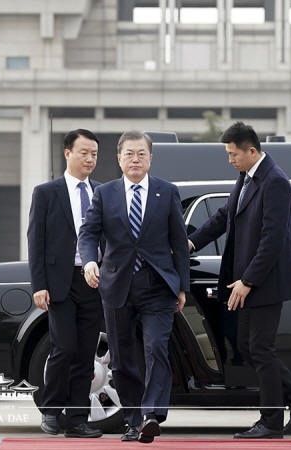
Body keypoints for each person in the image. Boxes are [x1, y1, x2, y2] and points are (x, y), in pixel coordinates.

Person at [188, 121, 291, 439]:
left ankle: (272, 421)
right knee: (250, 348)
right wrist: (190, 241)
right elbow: (224, 215)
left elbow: (273, 239)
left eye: (233, 154)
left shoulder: (275, 181)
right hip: (248, 281)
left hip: (264, 281)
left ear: (251, 150)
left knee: (260, 348)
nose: (230, 160)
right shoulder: (248, 176)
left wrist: (248, 280)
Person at [79, 130, 189, 443]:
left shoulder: (166, 192)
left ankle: (152, 414)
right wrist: (89, 262)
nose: (135, 159)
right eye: (129, 153)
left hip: (157, 285)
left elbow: (179, 242)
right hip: (116, 285)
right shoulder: (105, 193)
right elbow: (88, 233)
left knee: (156, 349)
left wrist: (181, 286)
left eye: (141, 153)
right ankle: (133, 419)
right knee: (123, 357)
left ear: (150, 158)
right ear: (119, 158)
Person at [27, 129, 103, 439]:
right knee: (64, 347)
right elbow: (36, 241)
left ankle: (77, 420)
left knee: (86, 352)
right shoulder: (46, 192)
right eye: (83, 152)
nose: (89, 159)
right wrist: (39, 284)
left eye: (94, 154)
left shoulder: (102, 192)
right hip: (60, 282)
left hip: (94, 282)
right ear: (67, 153)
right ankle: (51, 411)